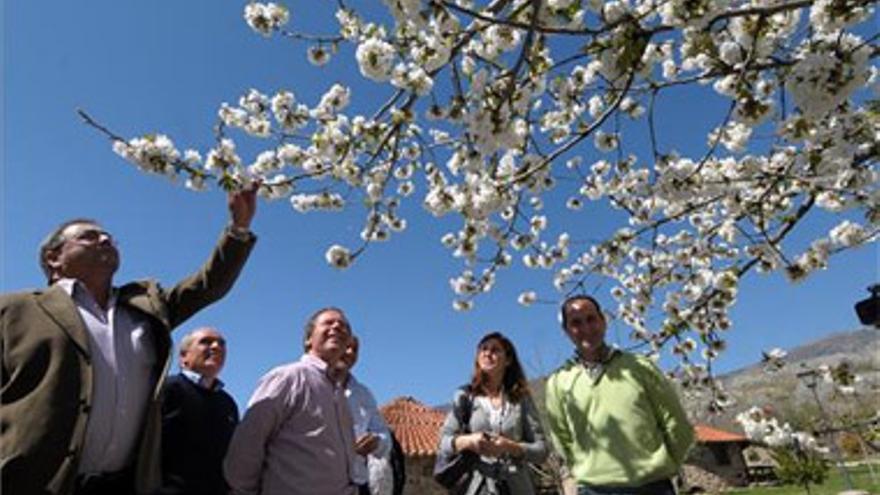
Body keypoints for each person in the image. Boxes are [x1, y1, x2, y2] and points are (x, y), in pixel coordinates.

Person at [0, 186, 258, 495]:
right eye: (89, 237)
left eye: (109, 237)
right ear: (54, 258)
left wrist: (238, 228)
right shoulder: (15, 309)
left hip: (124, 485)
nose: (105, 240)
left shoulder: (146, 308)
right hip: (33, 482)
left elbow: (207, 286)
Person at [544, 295, 695, 495]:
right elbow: (561, 438)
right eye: (576, 323)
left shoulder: (640, 367)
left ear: (603, 321)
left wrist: (664, 465)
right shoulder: (558, 382)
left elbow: (675, 422)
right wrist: (587, 470)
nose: (586, 329)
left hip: (652, 487)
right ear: (566, 331)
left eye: (591, 319)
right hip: (593, 489)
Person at [224, 307, 358, 495]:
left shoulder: (339, 395)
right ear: (308, 339)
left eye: (344, 326)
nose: (337, 326)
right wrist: (246, 490)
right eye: (328, 323)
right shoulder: (289, 377)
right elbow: (248, 441)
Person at [438, 331, 547, 495]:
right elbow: (443, 442)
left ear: (508, 360)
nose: (488, 353)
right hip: (476, 488)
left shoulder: (520, 398)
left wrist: (511, 447)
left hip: (517, 487)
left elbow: (542, 450)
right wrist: (468, 441)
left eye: (495, 350)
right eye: (483, 349)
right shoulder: (464, 396)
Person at [159, 327, 238, 495]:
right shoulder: (168, 390)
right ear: (183, 357)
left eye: (222, 344)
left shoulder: (228, 403)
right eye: (206, 342)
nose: (217, 347)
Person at [336, 336, 392, 495]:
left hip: (356, 483)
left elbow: (384, 435)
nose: (351, 352)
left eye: (355, 349)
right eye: (346, 346)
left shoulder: (364, 394)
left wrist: (376, 441)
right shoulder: (311, 385)